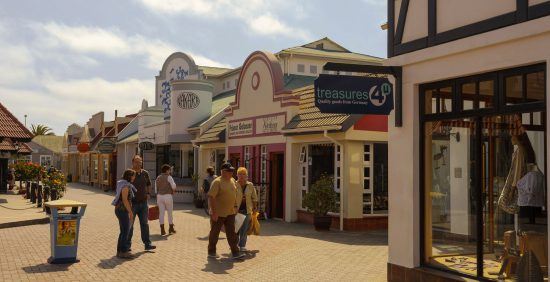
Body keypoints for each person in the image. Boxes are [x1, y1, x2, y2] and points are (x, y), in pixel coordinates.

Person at [207, 162, 244, 259]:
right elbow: (211, 197)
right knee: (215, 232)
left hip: (230, 212)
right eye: (229, 171)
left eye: (232, 171)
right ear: (223, 172)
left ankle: (235, 252)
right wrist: (214, 212)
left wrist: (235, 206)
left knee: (232, 233)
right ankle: (211, 252)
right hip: (218, 213)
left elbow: (235, 194)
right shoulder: (217, 182)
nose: (232, 173)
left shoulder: (232, 180)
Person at [128, 155, 156, 251]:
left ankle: (147, 244)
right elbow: (124, 185)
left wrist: (149, 193)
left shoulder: (145, 173)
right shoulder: (129, 173)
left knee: (145, 224)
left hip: (143, 203)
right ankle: (127, 245)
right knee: (130, 225)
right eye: (136, 162)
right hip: (132, 203)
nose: (139, 163)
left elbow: (149, 184)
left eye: (140, 162)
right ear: (133, 163)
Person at [112, 169, 137, 258]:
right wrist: (130, 212)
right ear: (130, 176)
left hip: (120, 210)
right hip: (122, 210)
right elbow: (125, 200)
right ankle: (123, 251)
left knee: (123, 231)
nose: (134, 177)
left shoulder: (123, 184)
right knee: (126, 231)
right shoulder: (125, 186)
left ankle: (119, 252)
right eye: (133, 175)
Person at [235, 167, 258, 252]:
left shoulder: (250, 185)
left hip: (247, 210)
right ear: (237, 175)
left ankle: (242, 246)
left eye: (243, 174)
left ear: (246, 176)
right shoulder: (234, 184)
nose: (241, 176)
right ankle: (234, 245)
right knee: (236, 229)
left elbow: (254, 198)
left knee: (244, 230)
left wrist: (255, 208)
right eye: (240, 174)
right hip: (236, 210)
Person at [156, 164, 177, 236]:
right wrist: (174, 190)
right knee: (169, 213)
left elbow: (156, 189)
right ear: (167, 170)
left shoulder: (158, 177)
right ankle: (171, 228)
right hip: (168, 195)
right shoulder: (169, 177)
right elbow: (173, 186)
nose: (170, 171)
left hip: (159, 196)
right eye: (169, 170)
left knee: (161, 213)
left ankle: (162, 230)